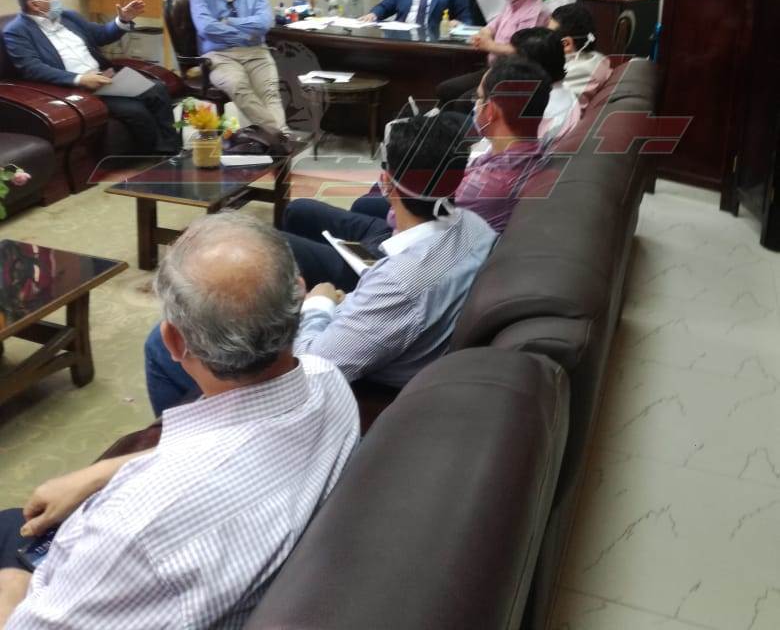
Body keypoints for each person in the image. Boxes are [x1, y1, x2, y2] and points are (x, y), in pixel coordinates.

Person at [0, 214, 359, 629]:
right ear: (298, 295)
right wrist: (100, 472)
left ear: (173, 341)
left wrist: (12, 588)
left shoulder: (136, 527)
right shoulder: (328, 379)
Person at [144, 113, 497, 407]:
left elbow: (312, 367)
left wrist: (319, 303)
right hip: (384, 329)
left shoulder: (400, 286)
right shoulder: (476, 227)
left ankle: (181, 440)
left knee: (160, 346)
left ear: (386, 183)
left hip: (344, 383)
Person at [283, 58, 552, 292]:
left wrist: (395, 186)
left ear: (490, 111)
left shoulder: (490, 184)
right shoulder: (525, 153)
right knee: (301, 210)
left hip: (402, 258)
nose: (474, 105)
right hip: (412, 236)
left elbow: (409, 214)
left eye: (479, 99)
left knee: (284, 244)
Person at [4, 0, 180, 156]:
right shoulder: (17, 31)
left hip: (105, 79)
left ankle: (171, 149)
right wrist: (79, 79)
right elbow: (32, 68)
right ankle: (159, 155)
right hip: (75, 89)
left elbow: (101, 35)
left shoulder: (69, 17)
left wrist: (123, 20)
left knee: (157, 89)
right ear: (35, 5)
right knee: (136, 111)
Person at [189, 0, 286, 132]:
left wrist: (229, 22)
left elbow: (265, 24)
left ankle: (277, 139)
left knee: (270, 93)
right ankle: (280, 135)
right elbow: (206, 28)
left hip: (256, 52)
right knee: (238, 86)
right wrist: (247, 32)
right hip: (219, 55)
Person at [436, 0, 550, 108]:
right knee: (445, 89)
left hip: (512, 75)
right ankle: (437, 119)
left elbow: (522, 50)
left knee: (462, 103)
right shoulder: (513, 4)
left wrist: (489, 45)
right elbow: (489, 28)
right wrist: (485, 37)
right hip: (493, 69)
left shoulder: (536, 12)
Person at [510, 26, 581, 144]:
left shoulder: (540, 113)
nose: (507, 64)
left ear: (530, 67)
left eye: (513, 59)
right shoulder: (563, 89)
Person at [547, 3, 613, 108]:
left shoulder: (577, 74)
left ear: (566, 44)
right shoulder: (598, 58)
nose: (545, 40)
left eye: (549, 36)